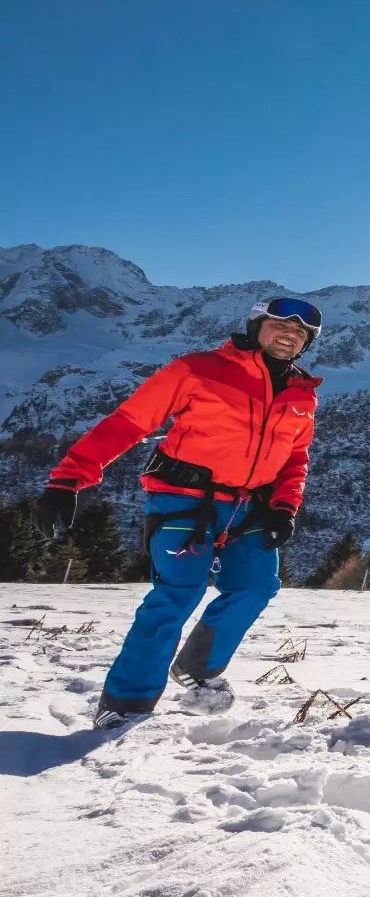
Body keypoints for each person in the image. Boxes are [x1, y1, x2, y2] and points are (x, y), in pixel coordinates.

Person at [34, 298, 325, 730]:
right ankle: (126, 704)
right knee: (177, 596)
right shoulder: (198, 368)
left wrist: (286, 508)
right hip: (184, 498)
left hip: (252, 507)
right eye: (281, 324)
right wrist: (67, 479)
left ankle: (198, 668)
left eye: (301, 332)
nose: (290, 333)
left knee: (257, 586)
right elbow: (128, 423)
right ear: (256, 325)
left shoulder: (302, 393)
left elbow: (295, 457)